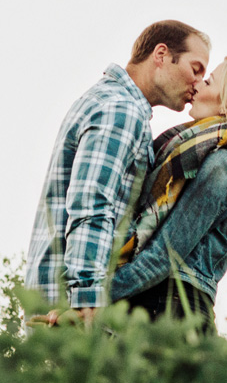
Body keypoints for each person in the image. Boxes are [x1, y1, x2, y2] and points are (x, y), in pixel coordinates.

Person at [25, 20, 210, 325]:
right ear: (161, 55)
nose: (198, 83)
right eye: (196, 68)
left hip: (59, 298)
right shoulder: (121, 109)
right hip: (71, 306)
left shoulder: (113, 101)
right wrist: (87, 296)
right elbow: (92, 203)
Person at [107, 56, 227, 331]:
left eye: (208, 81)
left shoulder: (225, 166)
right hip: (176, 305)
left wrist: (92, 300)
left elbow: (164, 255)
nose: (196, 85)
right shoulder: (219, 157)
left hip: (168, 307)